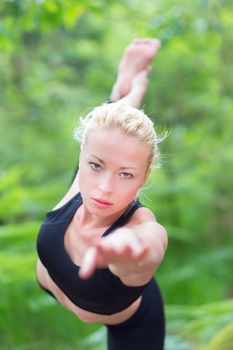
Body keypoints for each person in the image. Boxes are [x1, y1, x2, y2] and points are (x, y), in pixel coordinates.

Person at [36, 38, 167, 350]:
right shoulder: (82, 183)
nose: (105, 188)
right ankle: (124, 89)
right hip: (57, 284)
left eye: (126, 174)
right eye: (95, 165)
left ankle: (127, 93)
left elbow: (151, 243)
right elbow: (106, 142)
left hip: (134, 326)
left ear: (145, 176)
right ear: (82, 155)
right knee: (108, 142)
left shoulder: (140, 225)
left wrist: (128, 248)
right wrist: (125, 96)